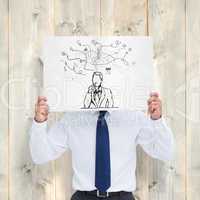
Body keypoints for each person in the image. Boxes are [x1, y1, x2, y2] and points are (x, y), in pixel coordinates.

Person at [29, 92, 174, 200]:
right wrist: (39, 123)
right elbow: (40, 156)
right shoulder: (72, 119)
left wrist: (157, 121)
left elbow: (166, 153)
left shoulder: (133, 117)